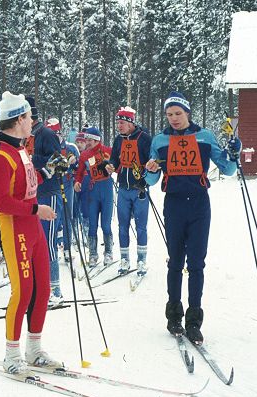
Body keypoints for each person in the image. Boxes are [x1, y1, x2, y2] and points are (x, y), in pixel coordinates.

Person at [145, 91, 239, 344]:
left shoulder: (205, 137)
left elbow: (229, 169)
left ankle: (194, 320)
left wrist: (234, 152)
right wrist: (149, 169)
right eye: (169, 114)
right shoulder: (160, 140)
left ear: (188, 113)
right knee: (176, 261)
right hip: (174, 205)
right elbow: (151, 180)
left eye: (178, 113)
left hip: (199, 205)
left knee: (197, 263)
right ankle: (173, 315)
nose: (173, 118)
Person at [0, 91, 61, 375]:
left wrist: (50, 170)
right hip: (16, 227)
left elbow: (29, 180)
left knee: (43, 289)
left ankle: (34, 349)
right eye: (29, 117)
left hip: (33, 227)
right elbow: (1, 201)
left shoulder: (20, 148)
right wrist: (35, 210)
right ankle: (12, 354)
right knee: (23, 291)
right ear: (18, 119)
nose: (32, 122)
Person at [24, 96, 64, 307]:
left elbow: (59, 161)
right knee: (34, 241)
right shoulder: (23, 137)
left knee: (47, 242)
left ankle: (55, 289)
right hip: (32, 196)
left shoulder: (45, 134)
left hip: (48, 193)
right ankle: (40, 286)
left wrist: (34, 162)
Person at [106, 107, 152, 276]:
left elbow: (151, 161)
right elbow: (114, 158)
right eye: (118, 123)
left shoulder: (144, 138)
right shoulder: (118, 140)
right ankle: (124, 259)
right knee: (122, 226)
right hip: (123, 189)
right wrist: (110, 165)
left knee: (141, 227)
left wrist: (146, 178)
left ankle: (141, 260)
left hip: (139, 189)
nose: (119, 126)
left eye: (122, 123)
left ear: (131, 123)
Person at [73, 127, 114, 268]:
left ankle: (108, 252)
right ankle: (93, 254)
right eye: (86, 140)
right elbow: (79, 172)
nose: (87, 142)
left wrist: (114, 168)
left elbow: (118, 164)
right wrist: (77, 182)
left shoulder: (108, 150)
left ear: (97, 140)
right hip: (93, 190)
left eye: (90, 140)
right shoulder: (84, 155)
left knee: (106, 224)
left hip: (107, 189)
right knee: (92, 224)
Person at [46, 118, 79, 263]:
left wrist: (74, 162)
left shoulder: (70, 147)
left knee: (67, 217)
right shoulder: (45, 147)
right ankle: (52, 248)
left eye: (56, 133)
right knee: (54, 218)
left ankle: (67, 249)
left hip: (67, 185)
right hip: (52, 188)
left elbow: (78, 166)